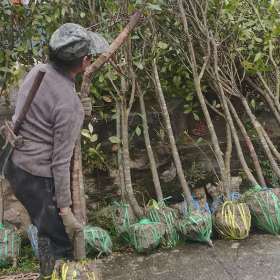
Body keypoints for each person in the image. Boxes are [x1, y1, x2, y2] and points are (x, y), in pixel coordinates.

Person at [4, 23, 108, 279]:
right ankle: (51, 272)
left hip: (14, 163)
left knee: (44, 228)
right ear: (84, 62)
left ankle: (45, 271)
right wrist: (65, 211)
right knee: (61, 242)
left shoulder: (38, 71)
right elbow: (60, 163)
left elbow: (40, 110)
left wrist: (75, 107)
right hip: (37, 176)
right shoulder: (70, 106)